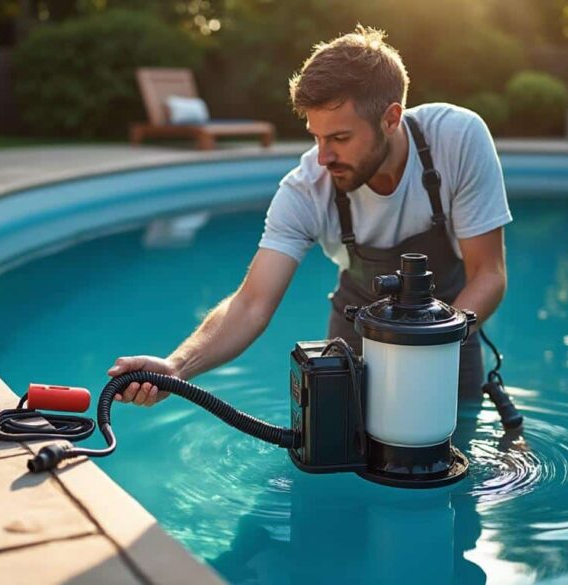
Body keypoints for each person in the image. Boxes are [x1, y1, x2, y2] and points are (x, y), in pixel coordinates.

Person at [108, 25, 511, 407]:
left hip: (451, 332)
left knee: (457, 446)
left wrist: (429, 346)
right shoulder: (306, 188)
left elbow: (487, 274)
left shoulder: (457, 139)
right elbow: (251, 303)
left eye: (340, 138)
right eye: (316, 137)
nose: (323, 157)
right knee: (342, 447)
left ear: (391, 118)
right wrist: (176, 367)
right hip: (356, 334)